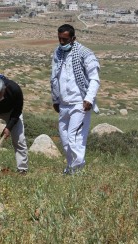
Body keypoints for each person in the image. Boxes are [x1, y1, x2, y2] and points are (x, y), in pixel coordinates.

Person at [50, 24, 100, 175]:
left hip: (80, 103)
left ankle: (77, 170)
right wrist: (55, 100)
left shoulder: (85, 53)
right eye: (59, 39)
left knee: (75, 137)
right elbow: (54, 78)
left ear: (73, 38)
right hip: (64, 104)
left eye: (65, 39)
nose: (62, 42)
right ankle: (71, 166)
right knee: (65, 139)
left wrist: (89, 98)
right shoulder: (58, 53)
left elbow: (94, 79)